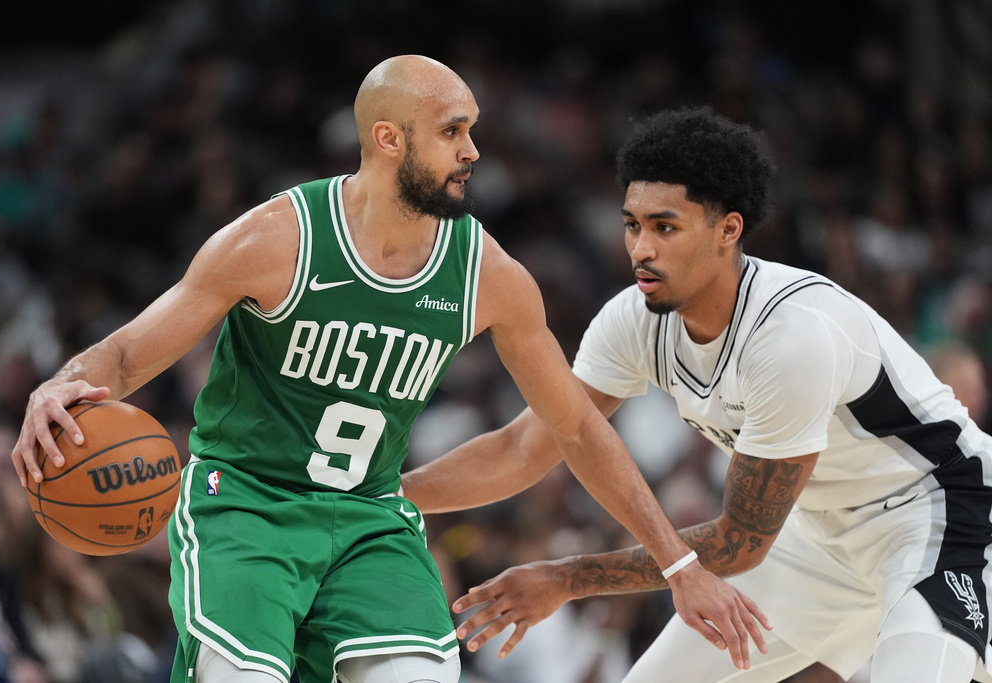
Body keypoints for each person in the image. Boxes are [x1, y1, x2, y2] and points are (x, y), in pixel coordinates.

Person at [10, 58, 766, 683]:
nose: (473, 150)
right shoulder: (275, 241)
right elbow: (126, 355)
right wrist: (59, 384)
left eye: (472, 130)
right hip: (245, 504)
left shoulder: (488, 275)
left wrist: (678, 563)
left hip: (368, 517)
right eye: (452, 131)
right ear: (388, 139)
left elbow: (571, 427)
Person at [401, 106, 992, 683]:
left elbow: (740, 542)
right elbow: (526, 447)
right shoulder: (633, 320)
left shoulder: (792, 337)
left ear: (728, 230)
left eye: (665, 227)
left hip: (938, 516)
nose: (641, 249)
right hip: (815, 534)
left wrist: (568, 577)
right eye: (632, 225)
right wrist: (384, 495)